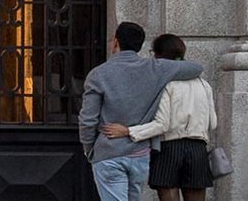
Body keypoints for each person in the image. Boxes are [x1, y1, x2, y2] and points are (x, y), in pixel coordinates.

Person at [80, 21, 202, 201]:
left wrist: (89, 149)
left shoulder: (98, 74)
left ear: (115, 42)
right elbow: (196, 68)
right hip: (140, 154)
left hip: (109, 151)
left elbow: (88, 119)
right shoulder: (156, 68)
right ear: (140, 45)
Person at [103, 33, 218, 201]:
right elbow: (212, 123)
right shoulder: (203, 84)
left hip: (168, 149)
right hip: (198, 150)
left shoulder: (165, 83)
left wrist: (128, 131)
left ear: (158, 55)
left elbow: (162, 124)